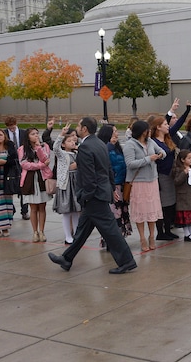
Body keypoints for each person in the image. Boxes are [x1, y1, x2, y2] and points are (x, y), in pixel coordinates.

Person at [48, 117, 137, 274]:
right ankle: (67, 259)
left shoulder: (86, 147)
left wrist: (86, 194)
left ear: (84, 129)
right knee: (82, 229)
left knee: (110, 230)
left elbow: (88, 175)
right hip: (100, 192)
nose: (76, 128)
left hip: (94, 196)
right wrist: (110, 188)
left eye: (79, 126)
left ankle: (127, 261)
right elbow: (108, 169)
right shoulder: (100, 144)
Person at [123, 120, 165, 252]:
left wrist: (161, 154)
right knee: (141, 211)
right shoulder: (130, 145)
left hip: (152, 179)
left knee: (152, 211)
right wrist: (148, 159)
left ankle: (152, 235)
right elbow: (130, 164)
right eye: (148, 130)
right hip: (138, 182)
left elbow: (162, 150)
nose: (150, 132)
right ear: (142, 131)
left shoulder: (150, 141)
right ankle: (142, 238)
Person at [97, 124, 132, 242]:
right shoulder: (105, 148)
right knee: (114, 213)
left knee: (121, 211)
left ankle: (120, 237)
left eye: (116, 131)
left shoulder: (116, 147)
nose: (116, 134)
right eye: (113, 132)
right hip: (112, 186)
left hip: (121, 184)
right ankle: (111, 239)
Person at [18, 127, 53, 242]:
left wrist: (38, 148)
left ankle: (42, 231)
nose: (36, 136)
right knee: (33, 207)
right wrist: (40, 165)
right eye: (33, 134)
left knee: (42, 206)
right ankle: (35, 232)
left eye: (37, 133)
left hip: (42, 178)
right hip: (29, 179)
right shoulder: (22, 149)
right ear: (27, 136)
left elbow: (45, 159)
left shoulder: (44, 146)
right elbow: (24, 164)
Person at [51, 125, 82, 245]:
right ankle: (68, 236)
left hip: (76, 183)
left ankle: (76, 234)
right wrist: (61, 135)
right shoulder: (62, 154)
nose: (72, 142)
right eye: (68, 141)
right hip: (66, 184)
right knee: (67, 212)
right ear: (63, 144)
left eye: (73, 141)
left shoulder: (76, 153)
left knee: (75, 211)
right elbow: (55, 148)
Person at [149, 116, 179, 240]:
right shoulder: (153, 142)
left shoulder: (167, 139)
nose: (168, 126)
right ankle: (160, 232)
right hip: (161, 175)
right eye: (165, 124)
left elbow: (177, 125)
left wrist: (187, 110)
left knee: (171, 204)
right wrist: (170, 111)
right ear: (158, 127)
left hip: (170, 174)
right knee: (163, 205)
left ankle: (168, 229)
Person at [5, 116, 29, 220]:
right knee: (10, 186)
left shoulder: (23, 133)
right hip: (10, 163)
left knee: (23, 187)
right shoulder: (4, 134)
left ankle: (24, 210)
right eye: (10, 127)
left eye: (13, 127)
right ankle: (12, 209)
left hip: (22, 162)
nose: (12, 129)